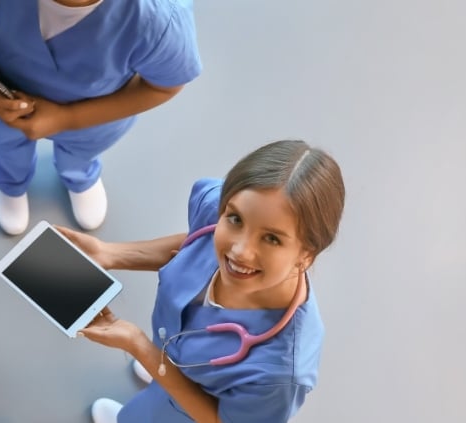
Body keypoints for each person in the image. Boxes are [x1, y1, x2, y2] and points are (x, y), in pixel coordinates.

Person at [58, 140, 346, 423]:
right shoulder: (216, 204)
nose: (239, 251)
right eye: (235, 219)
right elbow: (198, 239)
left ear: (307, 254)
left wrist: (141, 348)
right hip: (171, 348)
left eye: (271, 238)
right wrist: (109, 254)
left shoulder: (280, 374)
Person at [0, 0, 203, 235]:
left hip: (92, 113)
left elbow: (165, 85)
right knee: (5, 145)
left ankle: (79, 175)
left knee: (81, 151)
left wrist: (68, 118)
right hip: (2, 93)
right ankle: (9, 182)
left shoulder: (158, 20)